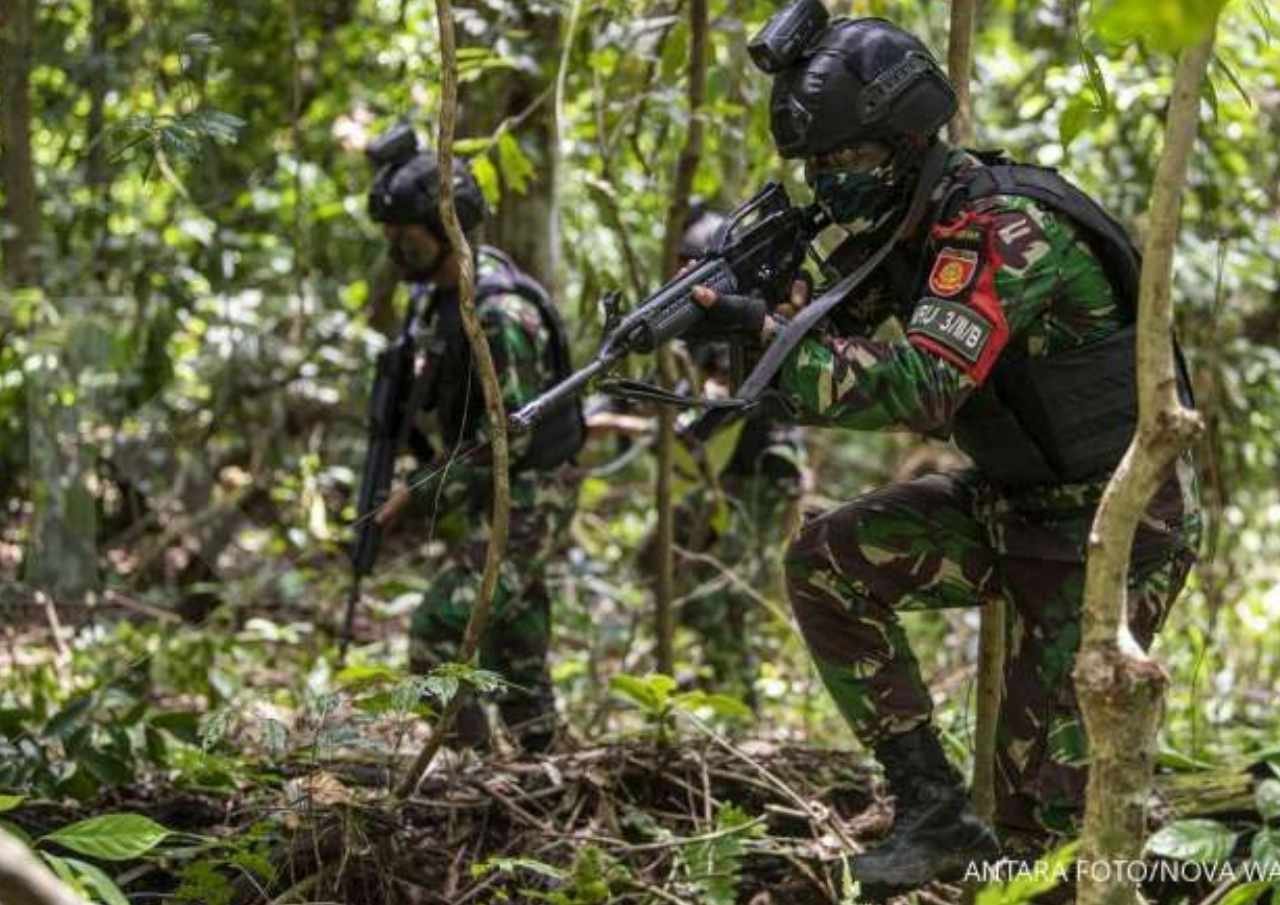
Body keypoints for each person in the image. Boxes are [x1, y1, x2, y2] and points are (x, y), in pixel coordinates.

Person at [690, 6, 1201, 895]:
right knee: (828, 561)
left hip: (1112, 533)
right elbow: (831, 329)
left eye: (845, 159)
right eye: (817, 166)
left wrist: (772, 344)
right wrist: (759, 309)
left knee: (1042, 832)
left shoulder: (1001, 227)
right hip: (1015, 505)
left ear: (905, 141)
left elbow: (921, 385)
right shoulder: (910, 230)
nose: (829, 182)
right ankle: (930, 806)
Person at [366, 128, 583, 753]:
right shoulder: (438, 301)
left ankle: (472, 770)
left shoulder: (498, 312)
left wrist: (418, 491)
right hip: (498, 492)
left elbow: (510, 436)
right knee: (516, 646)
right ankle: (538, 768)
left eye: (407, 240)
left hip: (530, 493)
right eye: (391, 240)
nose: (396, 254)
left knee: (438, 630)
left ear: (447, 230)